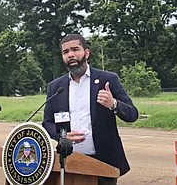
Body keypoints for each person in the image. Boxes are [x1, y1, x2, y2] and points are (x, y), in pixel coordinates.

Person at [42, 34, 139, 185]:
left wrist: (113, 103)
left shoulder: (107, 79)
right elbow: (47, 123)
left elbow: (132, 114)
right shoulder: (55, 87)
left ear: (86, 53)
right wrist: (62, 136)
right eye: (65, 52)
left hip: (104, 162)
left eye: (75, 49)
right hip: (70, 161)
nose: (71, 55)